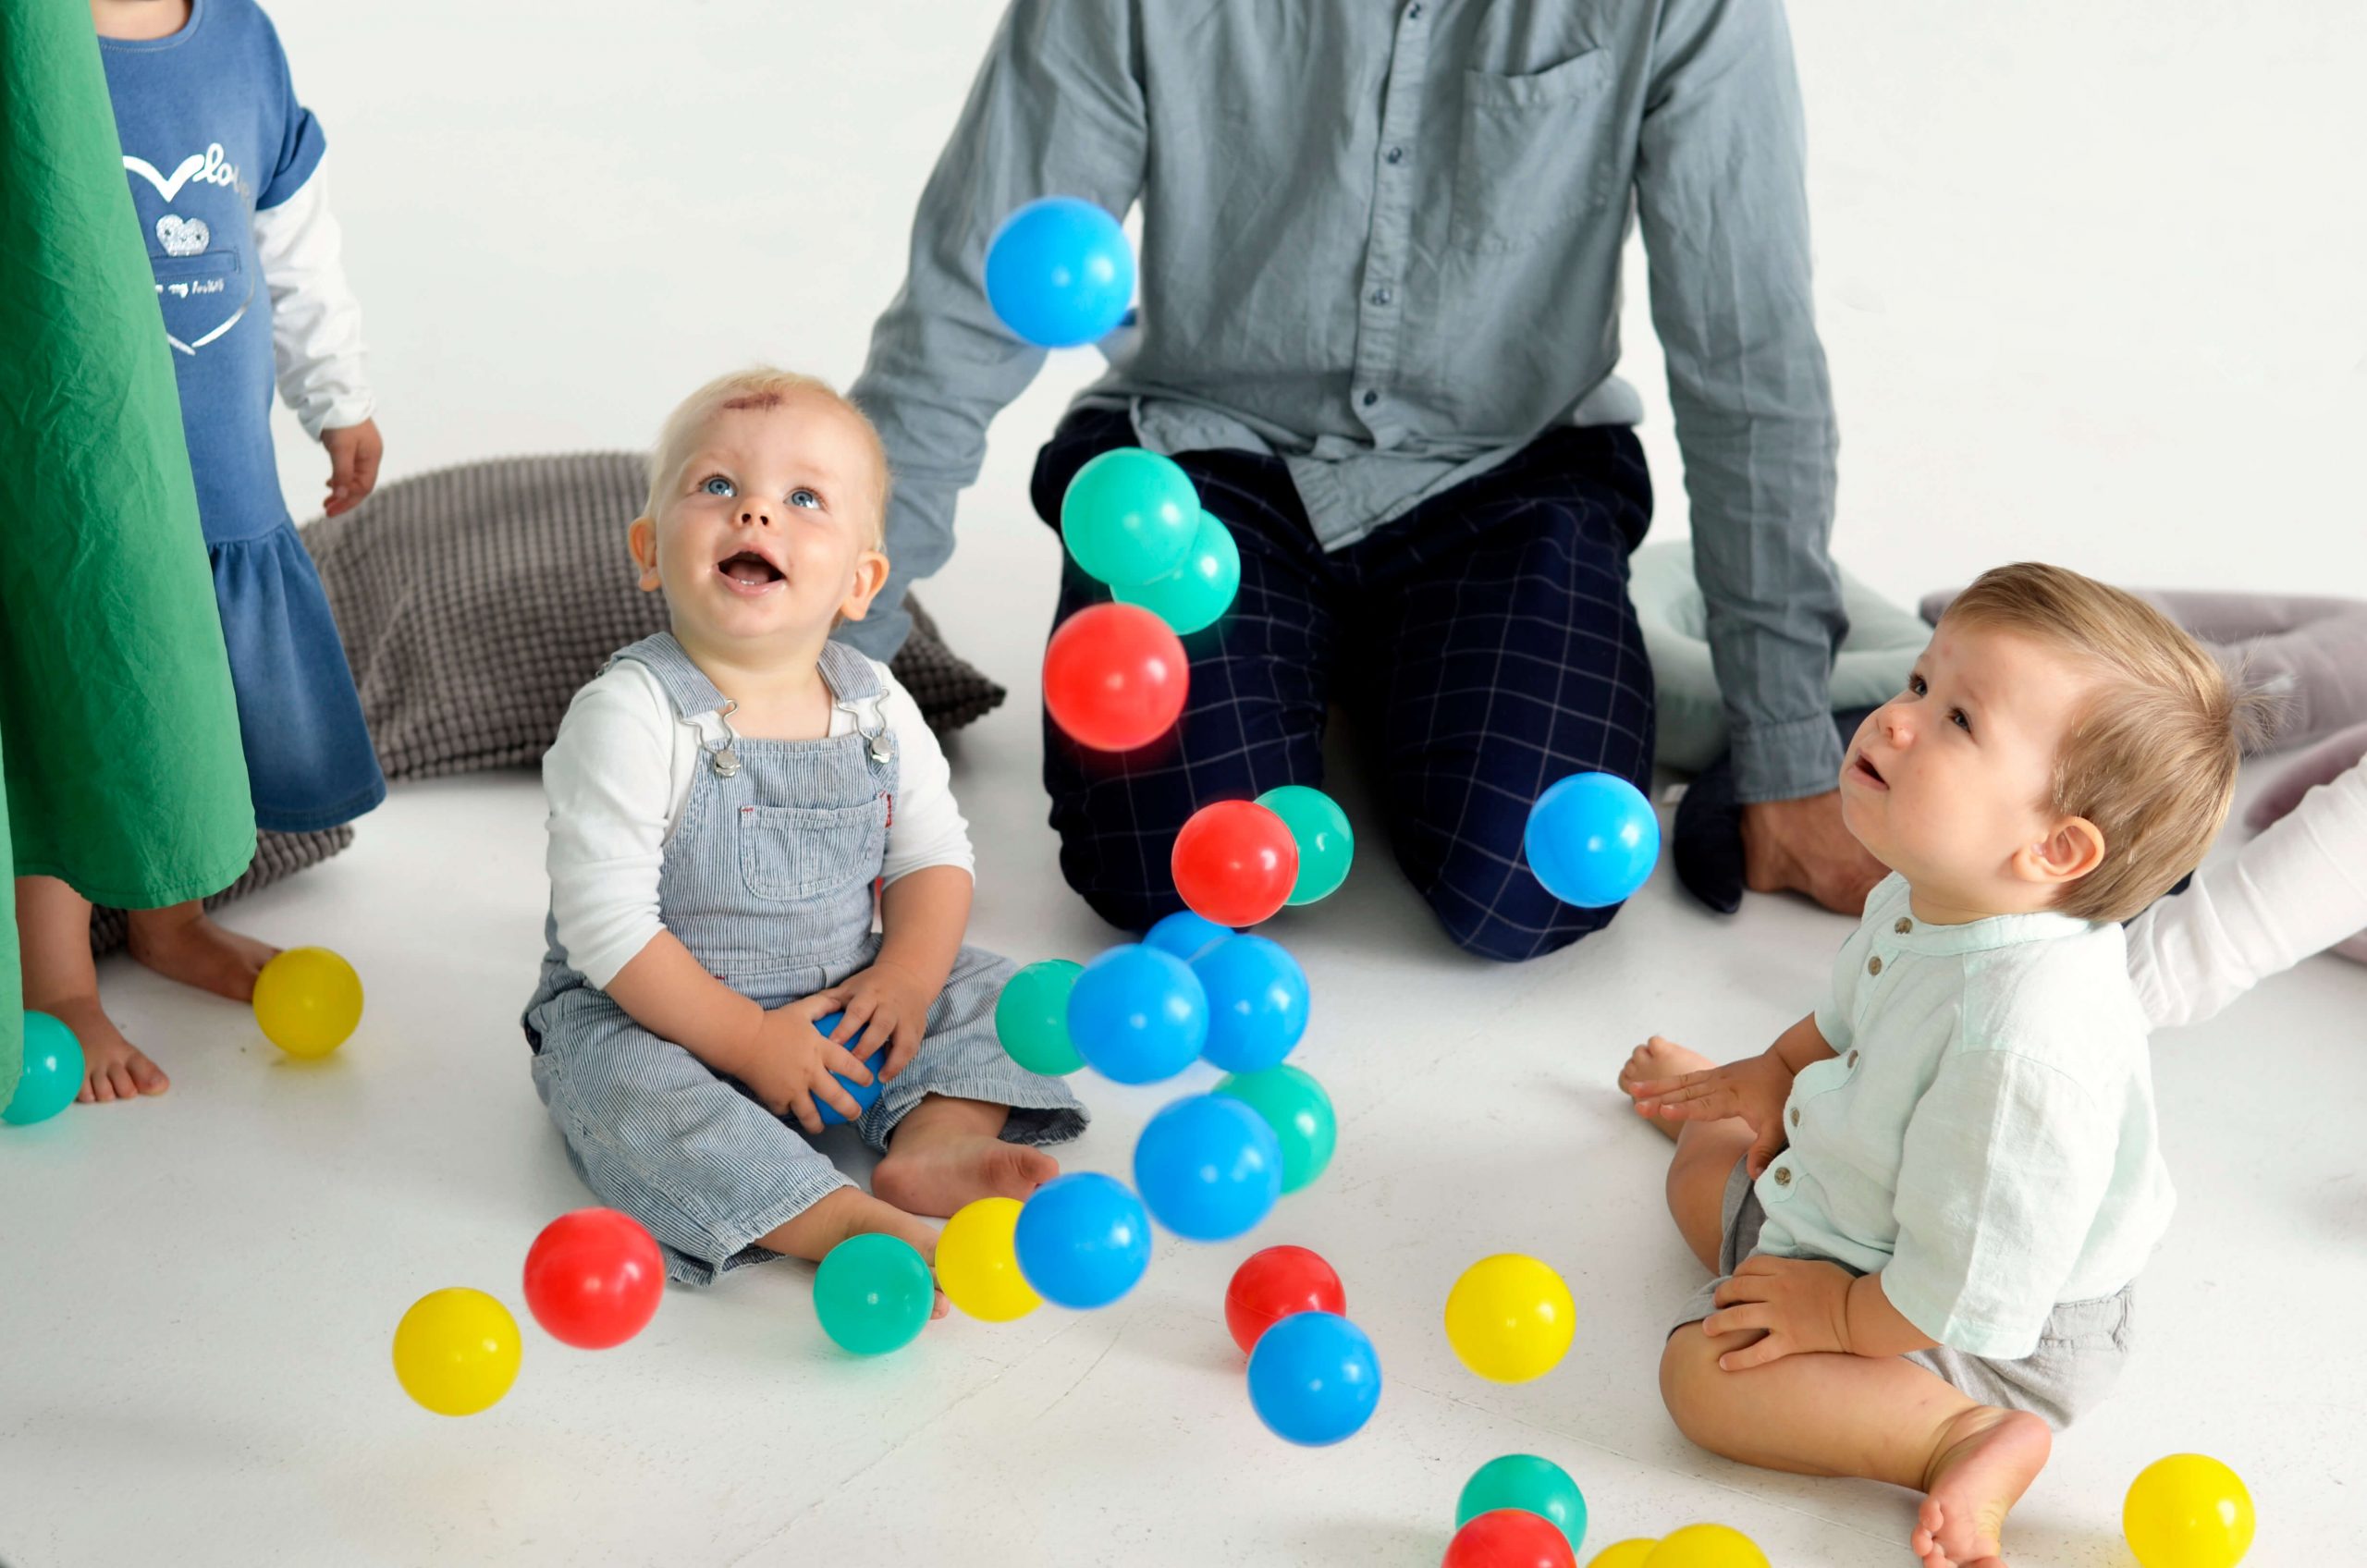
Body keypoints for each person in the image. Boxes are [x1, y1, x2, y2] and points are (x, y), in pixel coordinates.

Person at [848, 0, 1881, 960]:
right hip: (1209, 456)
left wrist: (1787, 749)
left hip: (1507, 470)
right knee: (1173, 882)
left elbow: (1746, 351)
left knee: (1532, 889)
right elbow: (966, 306)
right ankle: (1331, 664)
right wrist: (834, 646)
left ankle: (1374, 667)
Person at [1620, 564, 2257, 1567]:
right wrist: (1771, 1071)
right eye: (1919, 683)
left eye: (1957, 720)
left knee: (1699, 1379)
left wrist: (1835, 1313)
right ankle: (1733, 1125)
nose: (1892, 719)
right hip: (1890, 1218)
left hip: (1988, 1325)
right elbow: (1848, 1020)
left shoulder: (2019, 1050)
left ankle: (1963, 1438)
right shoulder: (1933, 894)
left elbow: (1974, 1278)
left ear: (2054, 850)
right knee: (1702, 1178)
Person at [521, 369, 1085, 1285]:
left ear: (860, 581)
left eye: (804, 498)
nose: (754, 512)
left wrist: (903, 981)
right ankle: (824, 1214)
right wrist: (749, 1041)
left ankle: (935, 1141)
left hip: (843, 999)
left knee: (994, 995)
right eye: (716, 485)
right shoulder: (630, 712)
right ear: (649, 549)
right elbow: (607, 929)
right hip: (658, 1015)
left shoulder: (876, 702)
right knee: (616, 1087)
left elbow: (933, 859)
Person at [15, 0, 387, 1104]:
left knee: (182, 702)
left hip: (218, 466)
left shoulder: (239, 39)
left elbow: (291, 233)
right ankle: (59, 983)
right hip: (80, 485)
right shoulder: (30, 45)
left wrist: (337, 396)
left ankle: (168, 920)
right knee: (75, 707)